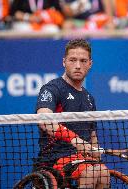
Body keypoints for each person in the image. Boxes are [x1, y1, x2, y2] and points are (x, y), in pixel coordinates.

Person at [35, 39, 110, 189]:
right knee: (91, 172)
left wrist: (95, 152)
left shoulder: (89, 98)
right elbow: (44, 120)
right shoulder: (51, 89)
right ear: (64, 62)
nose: (77, 65)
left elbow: (92, 134)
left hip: (82, 159)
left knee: (103, 172)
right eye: (72, 60)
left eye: (83, 61)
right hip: (54, 159)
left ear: (90, 64)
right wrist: (76, 140)